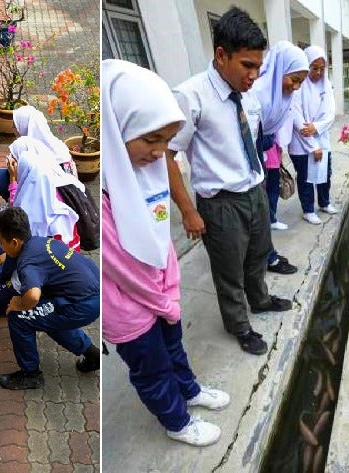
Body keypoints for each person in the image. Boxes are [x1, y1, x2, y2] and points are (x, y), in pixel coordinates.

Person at [102, 59, 230, 447]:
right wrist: (162, 299)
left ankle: (188, 390)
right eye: (151, 139)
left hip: (160, 294)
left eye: (166, 142)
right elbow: (121, 266)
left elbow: (160, 238)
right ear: (118, 125)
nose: (159, 153)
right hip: (129, 306)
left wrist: (170, 291)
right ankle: (176, 420)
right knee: (151, 367)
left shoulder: (150, 171)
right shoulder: (107, 191)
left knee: (173, 348)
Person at [166, 6, 292, 356]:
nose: (254, 74)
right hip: (220, 203)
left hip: (254, 191)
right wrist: (189, 211)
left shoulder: (247, 92)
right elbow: (167, 154)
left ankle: (261, 299)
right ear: (221, 55)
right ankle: (239, 325)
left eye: (258, 66)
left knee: (258, 255)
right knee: (229, 271)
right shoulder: (190, 96)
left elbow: (250, 138)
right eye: (247, 65)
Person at [0, 207, 99, 390]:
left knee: (20, 317)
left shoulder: (27, 263)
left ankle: (31, 374)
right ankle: (92, 354)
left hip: (83, 303)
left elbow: (32, 295)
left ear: (14, 242)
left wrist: (19, 304)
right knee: (47, 317)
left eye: (1, 241)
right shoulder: (38, 242)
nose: (0, 246)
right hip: (91, 288)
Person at [248, 40, 306, 274]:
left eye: (300, 82)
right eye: (294, 79)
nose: (296, 87)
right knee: (258, 213)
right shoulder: (257, 92)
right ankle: (265, 258)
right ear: (280, 69)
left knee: (261, 213)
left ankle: (267, 255)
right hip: (249, 160)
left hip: (263, 155)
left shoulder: (281, 94)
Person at [288, 45, 338, 224]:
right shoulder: (298, 86)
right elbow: (296, 117)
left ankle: (324, 202)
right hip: (301, 142)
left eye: (322, 69)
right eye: (314, 68)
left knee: (325, 173)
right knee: (305, 177)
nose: (318, 72)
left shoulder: (326, 85)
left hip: (321, 136)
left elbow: (331, 113)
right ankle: (308, 209)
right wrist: (312, 145)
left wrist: (316, 127)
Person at [0, 106, 77, 199]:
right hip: (68, 196)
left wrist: (13, 176)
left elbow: (30, 187)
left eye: (15, 126)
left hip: (45, 198)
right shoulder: (58, 146)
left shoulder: (30, 153)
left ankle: (14, 207)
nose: (13, 129)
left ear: (25, 127)